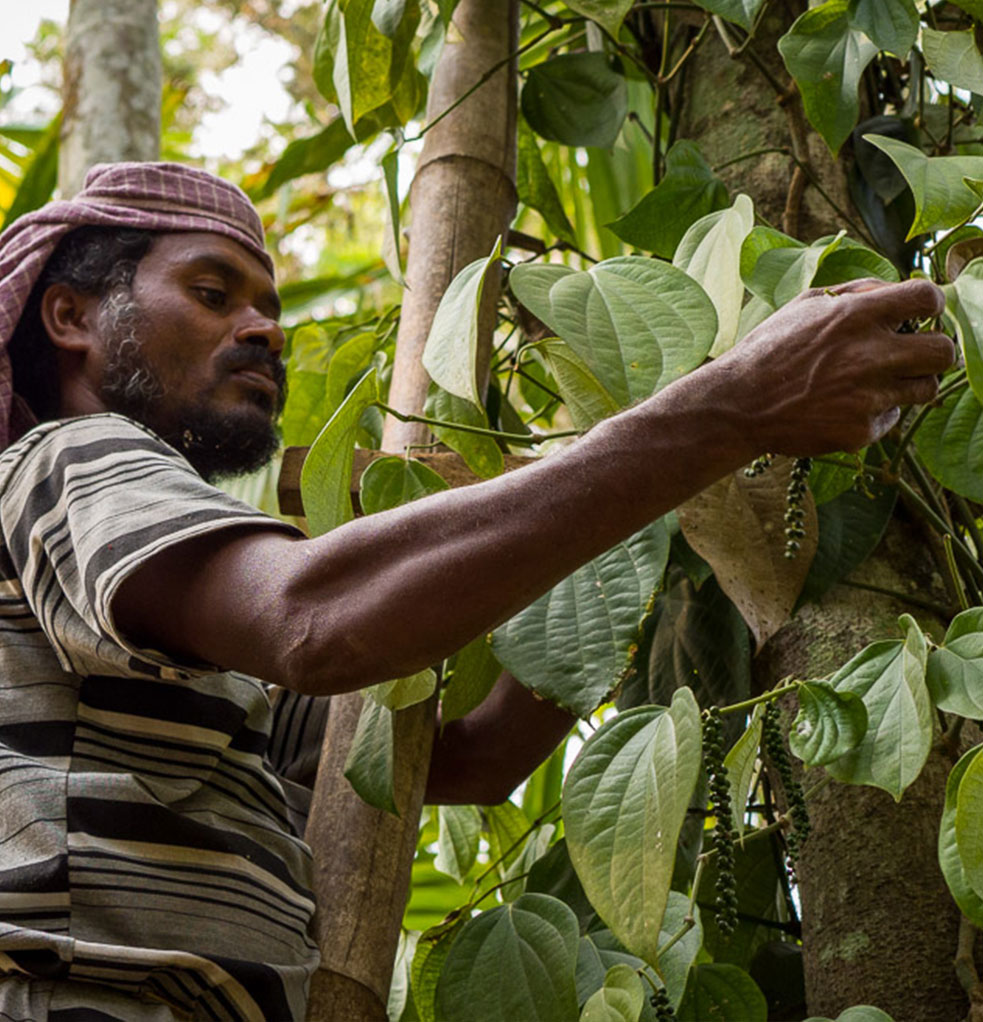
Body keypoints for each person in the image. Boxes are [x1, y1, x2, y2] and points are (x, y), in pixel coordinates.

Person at [0, 161, 954, 1021]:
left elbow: (465, 760)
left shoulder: (145, 599)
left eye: (267, 306)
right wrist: (724, 410)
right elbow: (314, 619)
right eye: (212, 293)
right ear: (71, 317)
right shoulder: (63, 459)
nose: (264, 329)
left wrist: (631, 524)